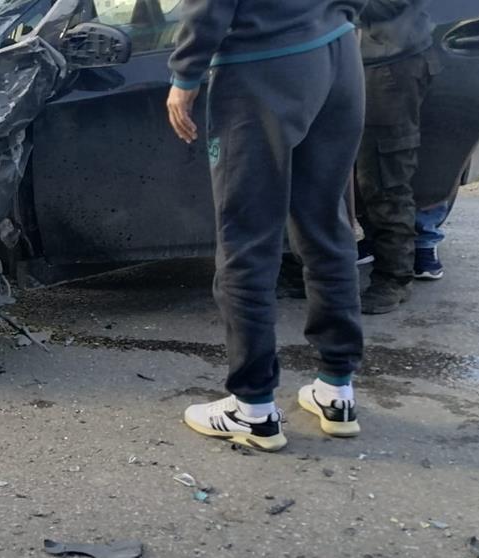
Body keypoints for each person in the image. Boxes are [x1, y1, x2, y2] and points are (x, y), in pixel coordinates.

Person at [166, 0, 367, 452]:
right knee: (327, 223)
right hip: (336, 50)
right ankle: (337, 390)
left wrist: (185, 75)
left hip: (263, 66)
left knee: (247, 240)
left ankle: (253, 408)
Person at [354, 0, 437, 313]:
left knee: (384, 175)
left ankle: (394, 278)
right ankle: (305, 268)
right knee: (329, 172)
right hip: (345, 62)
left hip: (388, 65)